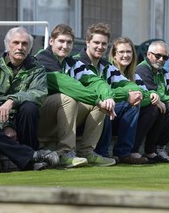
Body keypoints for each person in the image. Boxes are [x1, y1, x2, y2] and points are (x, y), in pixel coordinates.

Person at [36, 24, 116, 167]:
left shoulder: (72, 63)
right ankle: (64, 153)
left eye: (69, 42)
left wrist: (107, 97)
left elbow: (95, 81)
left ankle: (87, 152)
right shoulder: (42, 59)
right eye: (61, 41)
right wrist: (97, 100)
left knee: (100, 106)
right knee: (69, 98)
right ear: (51, 41)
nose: (65, 46)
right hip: (39, 119)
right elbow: (67, 85)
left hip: (60, 116)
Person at [0, 27, 59, 171]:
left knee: (30, 107)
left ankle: (29, 155)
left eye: (24, 44)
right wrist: (5, 125)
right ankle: (33, 156)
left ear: (29, 48)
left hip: (22, 119)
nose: (20, 47)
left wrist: (12, 100)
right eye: (15, 43)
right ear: (7, 45)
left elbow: (39, 93)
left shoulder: (37, 69)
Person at [73, 23, 148, 164]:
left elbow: (128, 84)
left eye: (104, 44)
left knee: (132, 104)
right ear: (87, 42)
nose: (100, 47)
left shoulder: (106, 66)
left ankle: (124, 153)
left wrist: (140, 93)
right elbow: (91, 91)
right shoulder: (76, 62)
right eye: (96, 42)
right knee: (106, 104)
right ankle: (102, 153)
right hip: (81, 113)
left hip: (104, 112)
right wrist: (122, 94)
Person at [108, 37, 169, 163]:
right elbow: (111, 94)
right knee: (133, 105)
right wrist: (133, 96)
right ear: (114, 55)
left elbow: (143, 93)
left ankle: (143, 150)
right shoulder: (109, 70)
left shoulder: (134, 75)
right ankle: (124, 152)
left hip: (125, 118)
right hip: (110, 115)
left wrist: (153, 96)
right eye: (121, 52)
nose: (126, 55)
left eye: (129, 52)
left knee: (154, 108)